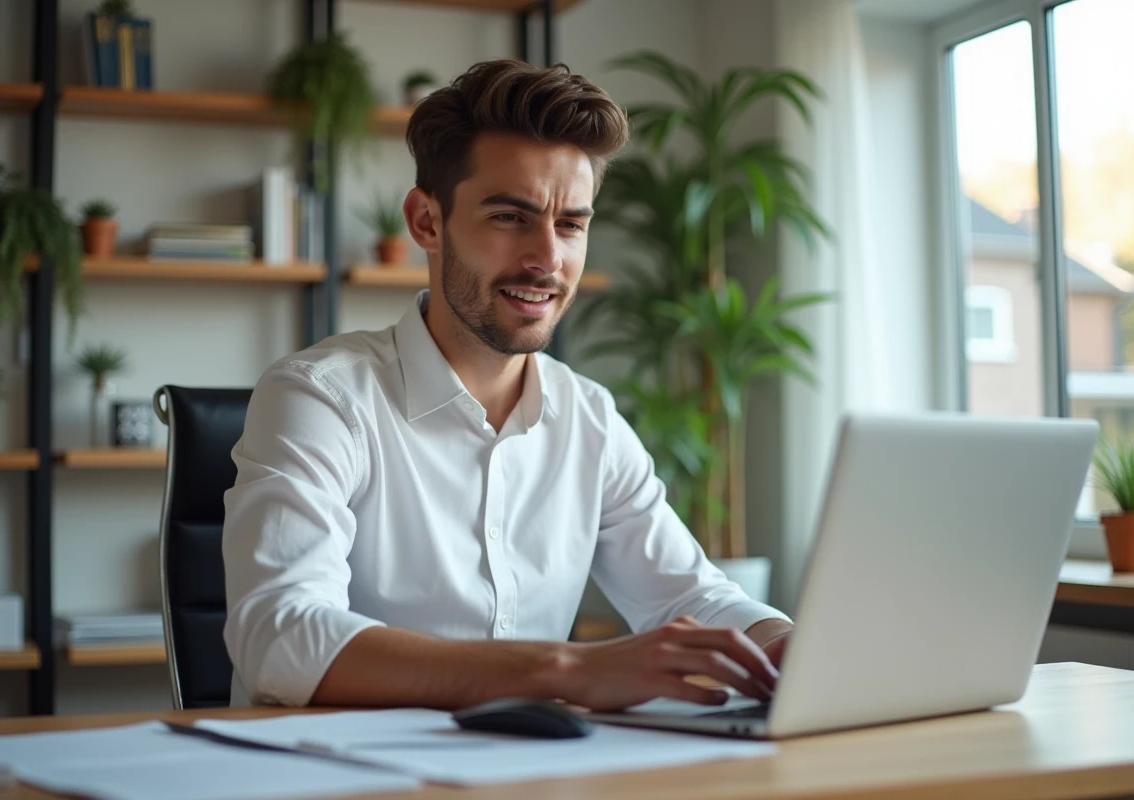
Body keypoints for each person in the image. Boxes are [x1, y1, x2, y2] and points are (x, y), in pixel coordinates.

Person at [222, 58, 793, 711]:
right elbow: (281, 635)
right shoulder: (321, 398)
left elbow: (693, 597)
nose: (549, 258)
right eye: (510, 217)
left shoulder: (589, 418)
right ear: (427, 222)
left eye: (571, 224)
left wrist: (791, 645)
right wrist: (564, 670)